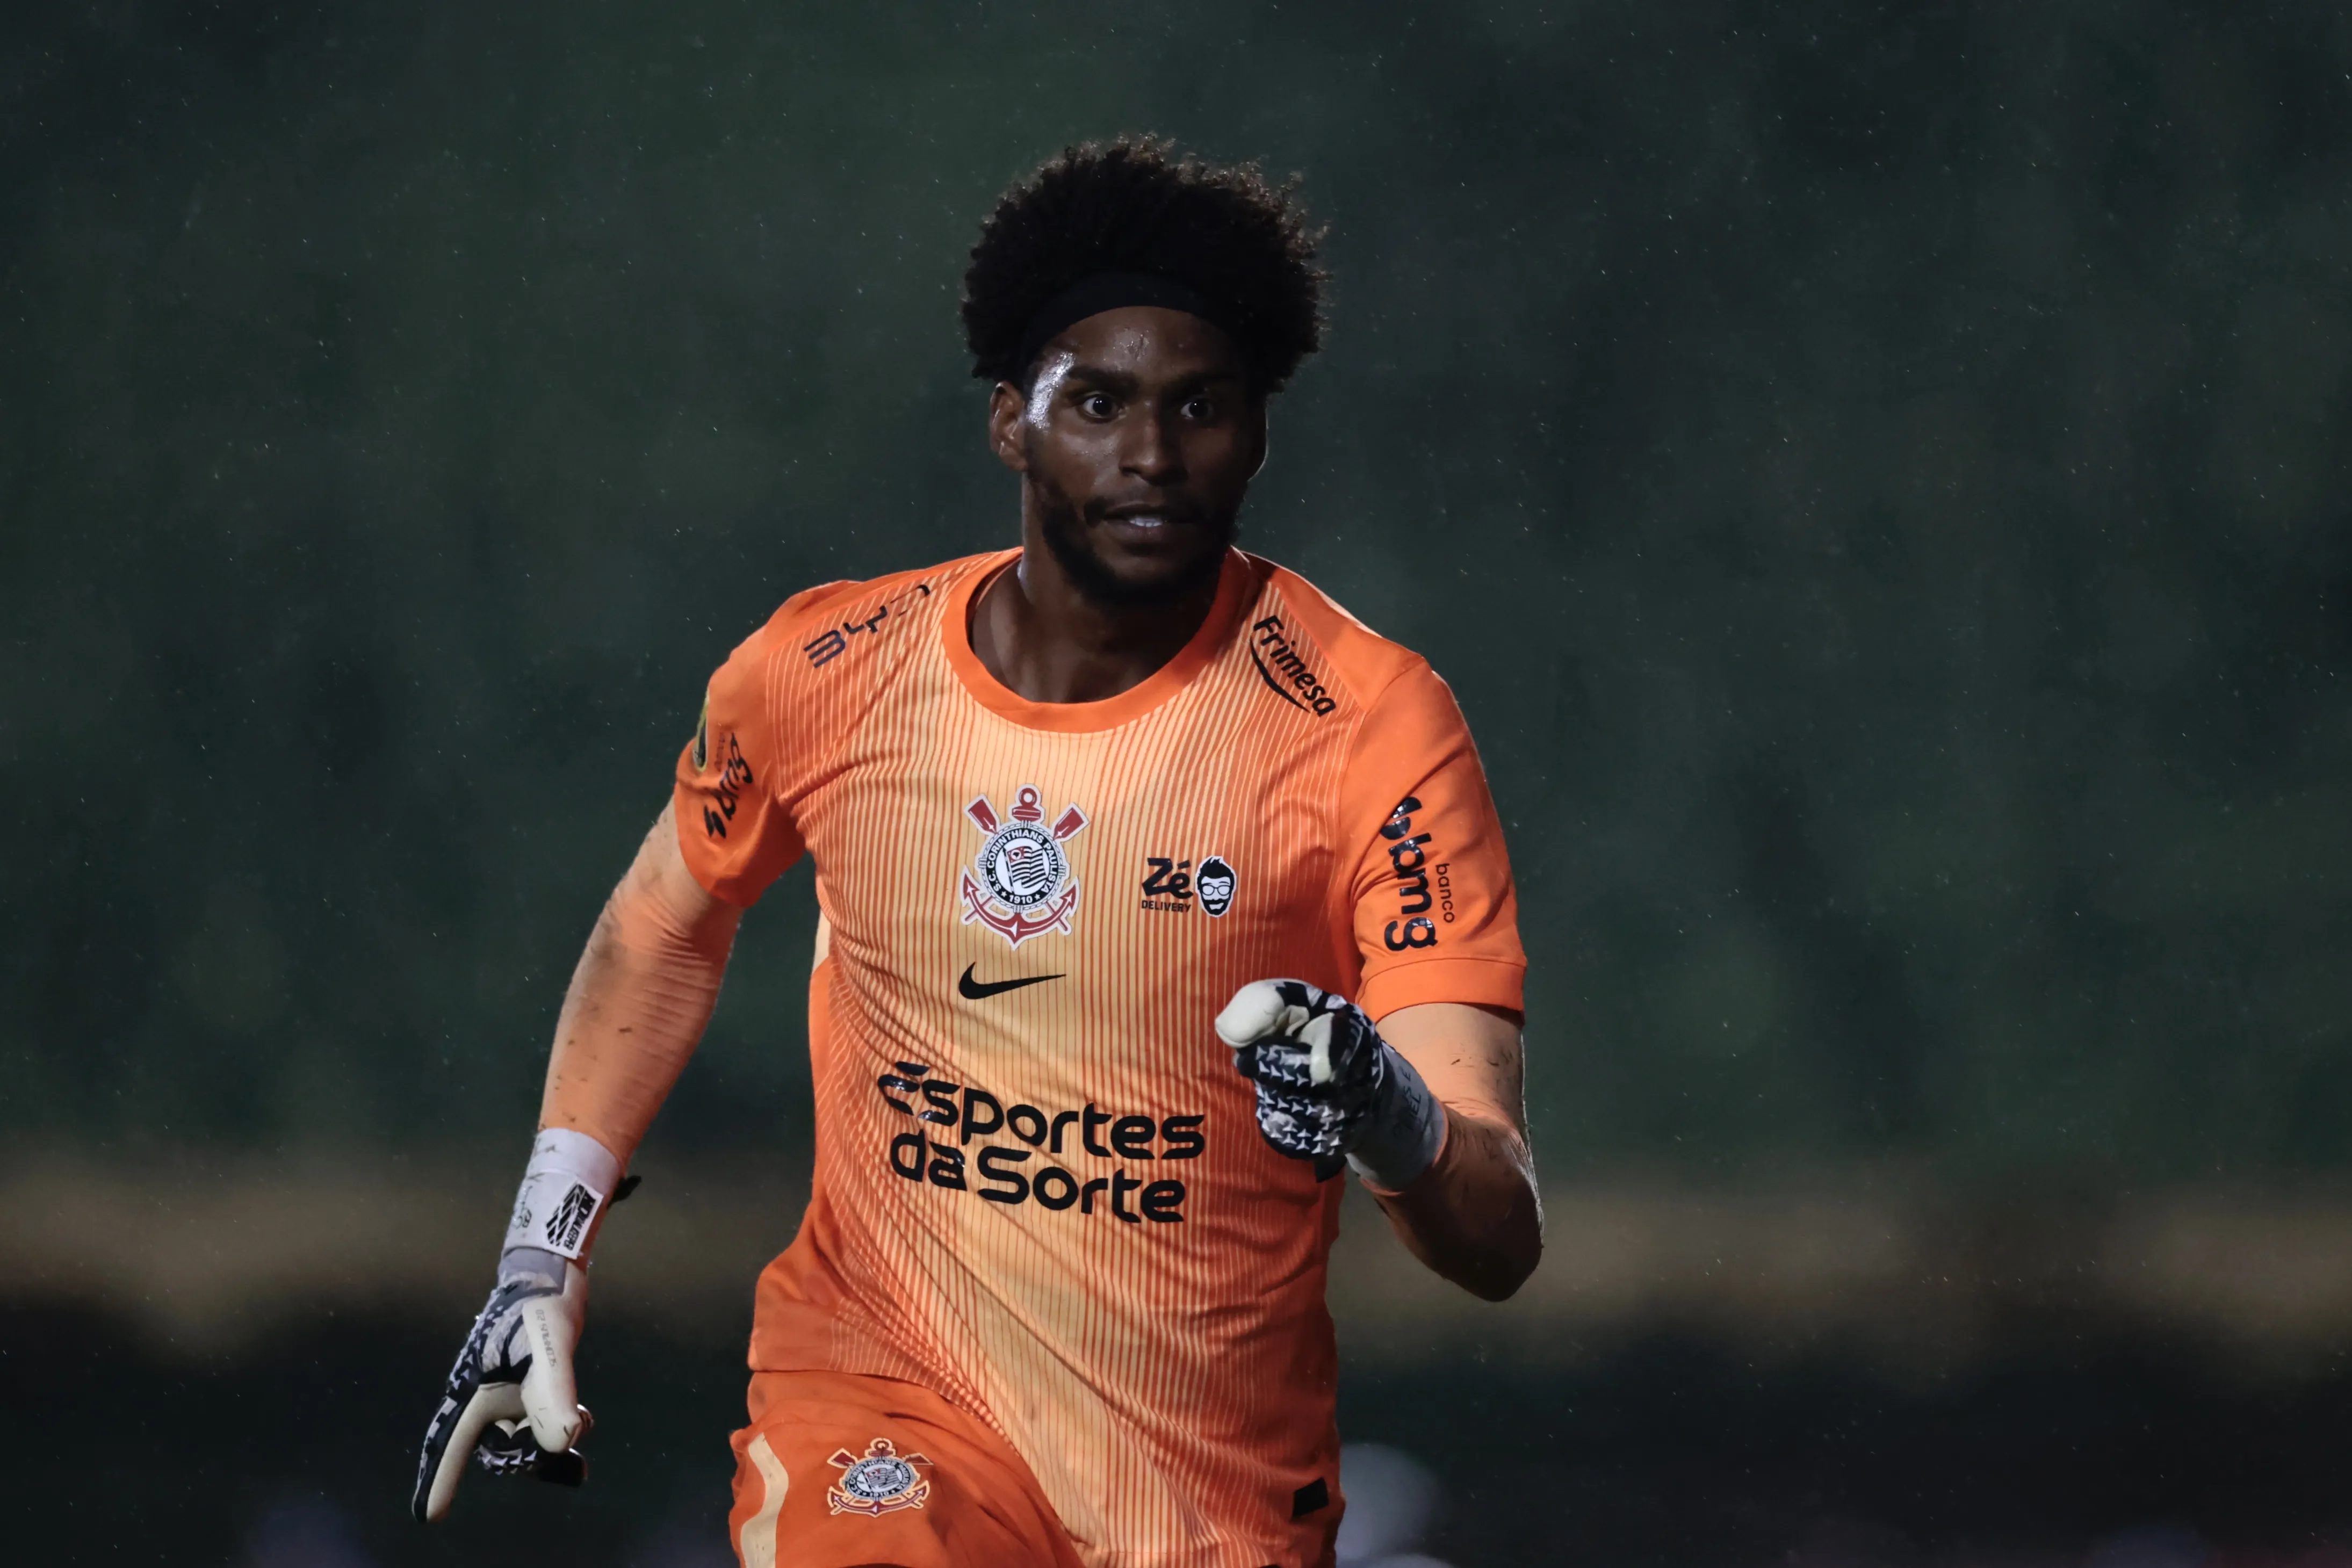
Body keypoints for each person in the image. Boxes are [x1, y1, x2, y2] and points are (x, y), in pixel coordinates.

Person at [411, 136, 1542, 1568]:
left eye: (1200, 405)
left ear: (1257, 433)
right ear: (1012, 422)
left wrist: (1387, 1109)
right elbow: (664, 922)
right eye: (1098, 403)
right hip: (882, 1413)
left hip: (1207, 1496)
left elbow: (1497, 1234)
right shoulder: (824, 668)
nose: (1149, 453)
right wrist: (539, 1257)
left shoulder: (1375, 725)